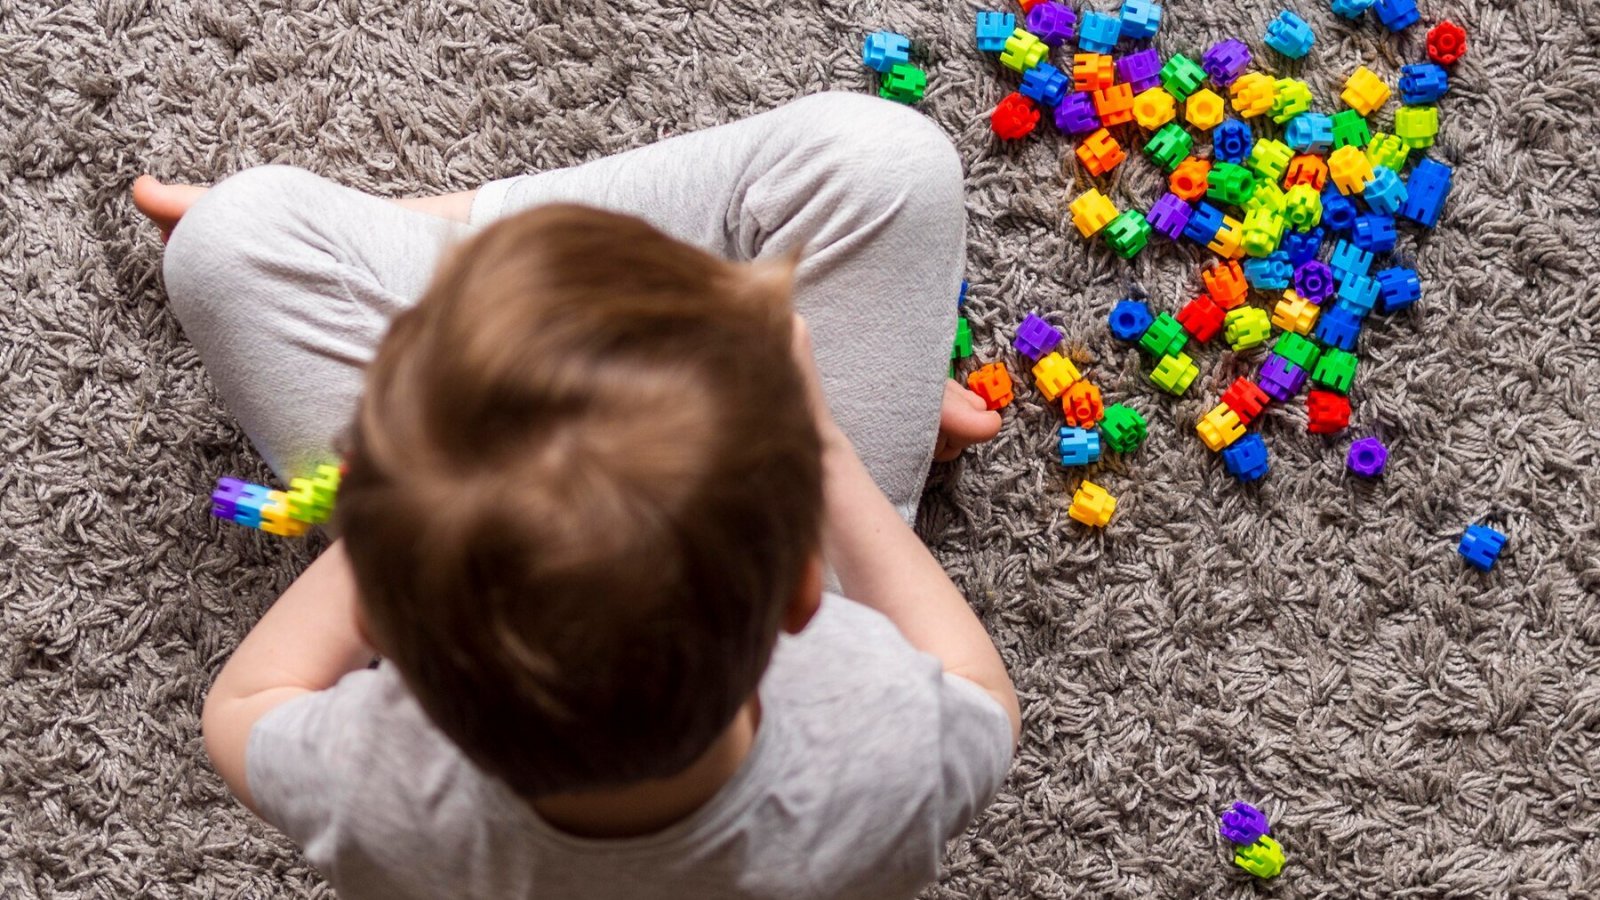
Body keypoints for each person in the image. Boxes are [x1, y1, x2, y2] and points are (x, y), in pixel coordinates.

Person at [134, 91, 1019, 899]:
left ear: (387, 633)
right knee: (888, 160)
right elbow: (983, 691)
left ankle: (454, 250)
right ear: (798, 590)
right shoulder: (883, 759)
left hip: (514, 527)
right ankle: (571, 292)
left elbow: (242, 706)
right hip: (799, 532)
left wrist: (395, 500)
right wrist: (829, 443)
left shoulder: (380, 788)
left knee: (227, 241)